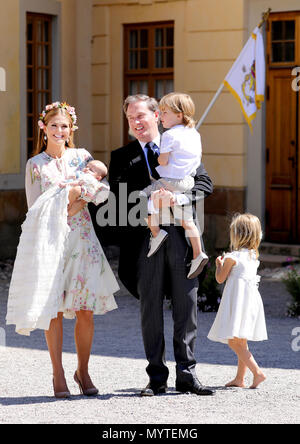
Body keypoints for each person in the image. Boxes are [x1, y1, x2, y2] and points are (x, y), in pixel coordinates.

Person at [6, 101, 119, 398]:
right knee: (53, 309)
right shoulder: (35, 165)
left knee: (85, 311)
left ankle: (82, 370)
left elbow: (98, 193)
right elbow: (35, 209)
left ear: (72, 129)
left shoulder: (82, 158)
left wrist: (75, 201)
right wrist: (72, 200)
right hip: (51, 241)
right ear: (43, 127)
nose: (59, 130)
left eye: (64, 126)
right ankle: (58, 373)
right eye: (54, 125)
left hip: (81, 241)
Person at [108, 94, 215, 396]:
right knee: (150, 308)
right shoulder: (122, 156)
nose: (136, 122)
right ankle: (156, 377)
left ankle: (187, 373)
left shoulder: (181, 143)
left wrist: (178, 198)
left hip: (182, 239)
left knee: (187, 305)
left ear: (157, 115)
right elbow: (119, 200)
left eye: (141, 115)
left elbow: (205, 183)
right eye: (130, 118)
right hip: (146, 243)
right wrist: (149, 202)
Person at [141, 92, 208, 278]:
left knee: (144, 201)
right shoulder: (195, 133)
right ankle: (198, 253)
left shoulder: (169, 135)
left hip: (170, 181)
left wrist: (158, 159)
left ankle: (156, 234)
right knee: (188, 222)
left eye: (164, 113)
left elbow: (163, 161)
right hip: (187, 182)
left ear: (179, 115)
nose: (161, 117)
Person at [207, 213, 268, 389]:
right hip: (250, 302)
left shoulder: (232, 257)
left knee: (234, 341)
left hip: (237, 302)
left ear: (237, 234)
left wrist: (219, 265)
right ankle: (239, 379)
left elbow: (220, 279)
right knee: (242, 339)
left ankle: (257, 373)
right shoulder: (252, 256)